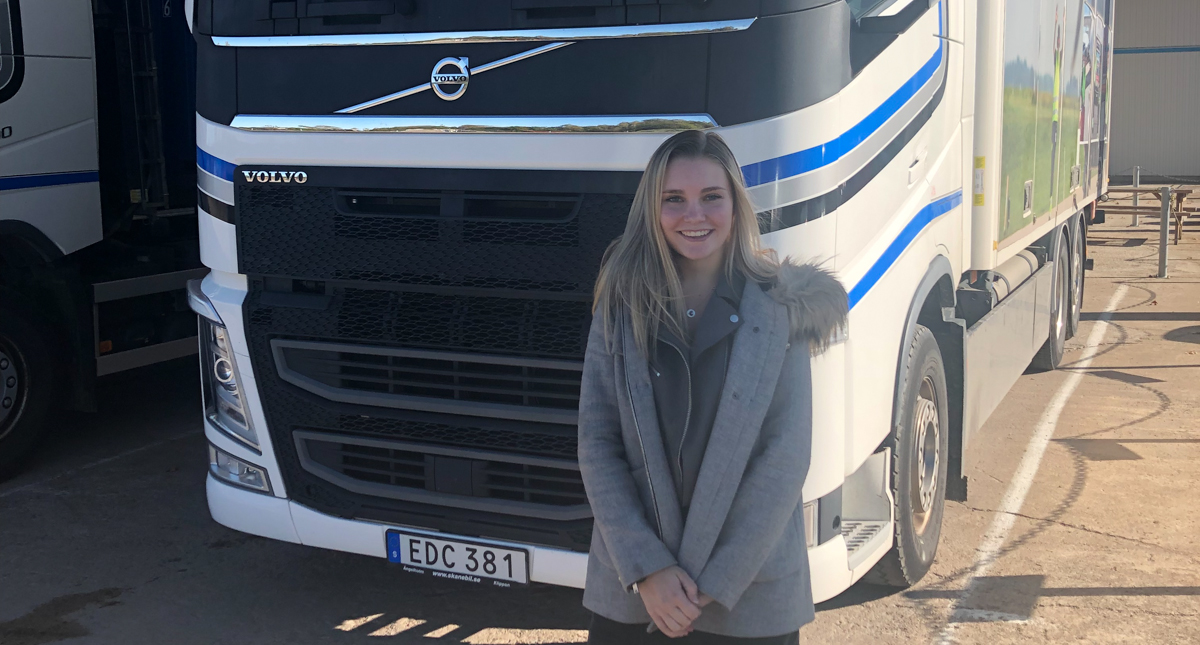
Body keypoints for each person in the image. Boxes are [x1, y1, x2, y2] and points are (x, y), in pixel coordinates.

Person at [577, 130, 848, 643]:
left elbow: (784, 458)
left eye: (711, 197)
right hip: (638, 596)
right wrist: (650, 570)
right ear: (651, 209)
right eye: (674, 199)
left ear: (736, 206)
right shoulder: (621, 304)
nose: (694, 215)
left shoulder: (780, 308)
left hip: (747, 599)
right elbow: (597, 443)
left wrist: (708, 583)